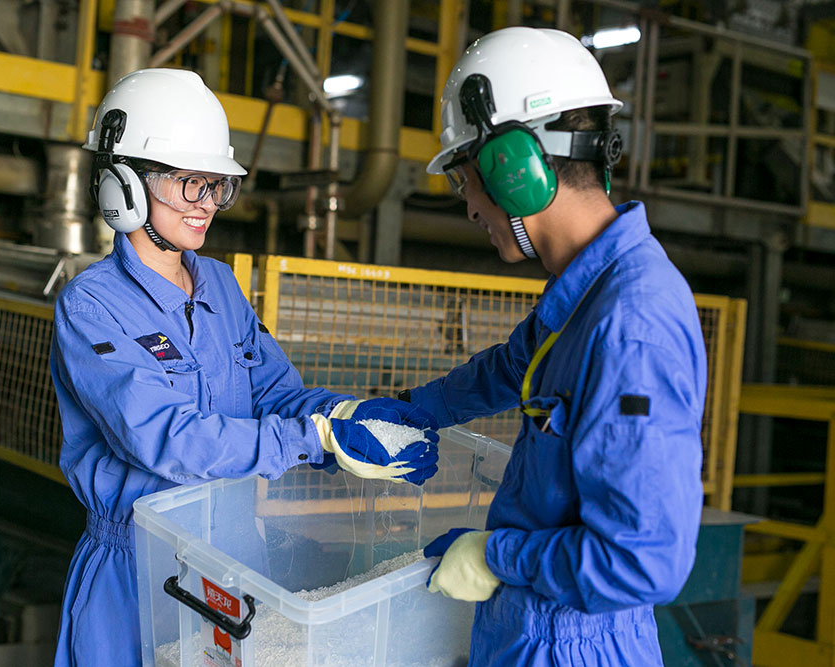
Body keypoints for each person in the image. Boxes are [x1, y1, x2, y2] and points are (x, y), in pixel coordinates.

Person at [48, 68, 439, 666]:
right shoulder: (92, 306)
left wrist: (344, 415)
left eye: (216, 186)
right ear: (122, 186)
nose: (207, 205)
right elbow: (164, 437)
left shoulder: (222, 287)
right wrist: (315, 439)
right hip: (135, 567)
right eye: (188, 184)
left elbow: (278, 394)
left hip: (231, 559)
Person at [406, 28, 708, 665]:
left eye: (466, 183)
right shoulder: (582, 294)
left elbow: (641, 563)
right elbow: (507, 369)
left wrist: (496, 555)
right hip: (532, 633)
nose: (469, 211)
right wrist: (405, 412)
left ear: (510, 170)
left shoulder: (631, 324)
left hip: (577, 647)